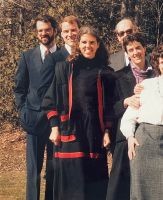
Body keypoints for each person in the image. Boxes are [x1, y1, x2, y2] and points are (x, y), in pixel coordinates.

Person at [41, 26, 114, 200]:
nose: (87, 46)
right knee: (70, 184)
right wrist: (54, 128)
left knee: (94, 186)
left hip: (95, 134)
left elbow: (110, 105)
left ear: (98, 45)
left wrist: (107, 131)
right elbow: (50, 100)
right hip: (69, 131)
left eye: (92, 42)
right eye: (84, 42)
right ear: (78, 44)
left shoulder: (106, 72)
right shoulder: (64, 68)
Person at [120, 43, 163, 200]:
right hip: (143, 144)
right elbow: (129, 116)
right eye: (162, 62)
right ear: (157, 65)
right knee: (140, 193)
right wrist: (130, 137)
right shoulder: (146, 85)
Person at [106, 33, 156, 200]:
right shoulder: (118, 76)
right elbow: (109, 109)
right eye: (131, 50)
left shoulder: (157, 73)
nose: (135, 52)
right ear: (126, 53)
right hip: (124, 137)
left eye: (138, 48)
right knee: (120, 188)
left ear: (144, 48)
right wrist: (126, 101)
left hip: (151, 135)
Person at [14, 14, 58, 200]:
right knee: (33, 169)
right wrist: (23, 111)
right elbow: (19, 87)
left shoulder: (64, 55)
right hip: (32, 119)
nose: (44, 33)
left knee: (54, 167)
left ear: (54, 30)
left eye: (47, 29)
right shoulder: (27, 56)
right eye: (40, 30)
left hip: (57, 121)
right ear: (36, 33)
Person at [38, 15, 81, 99]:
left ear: (80, 31)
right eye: (66, 31)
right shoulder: (53, 59)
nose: (70, 34)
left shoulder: (87, 56)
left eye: (73, 30)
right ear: (61, 34)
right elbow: (43, 91)